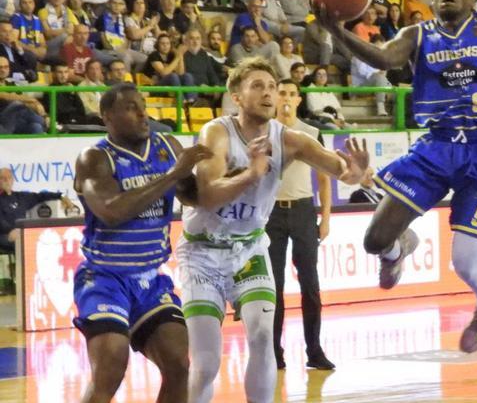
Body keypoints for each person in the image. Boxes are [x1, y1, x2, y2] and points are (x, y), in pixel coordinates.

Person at [314, 0, 477, 353]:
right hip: (436, 146)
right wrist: (338, 32)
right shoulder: (417, 34)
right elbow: (382, 59)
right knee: (375, 240)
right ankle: (399, 250)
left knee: (464, 263)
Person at [179, 57, 368, 403]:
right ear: (236, 96)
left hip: (249, 249)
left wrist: (356, 171)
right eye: (257, 86)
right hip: (203, 253)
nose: (268, 93)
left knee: (263, 337)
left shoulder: (290, 139)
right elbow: (205, 195)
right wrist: (251, 173)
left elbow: (343, 172)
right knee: (206, 363)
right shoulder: (216, 133)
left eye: (271, 87)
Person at [72, 82, 213, 403]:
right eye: (131, 108)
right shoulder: (94, 157)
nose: (142, 114)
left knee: (179, 364)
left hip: (151, 279)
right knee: (111, 365)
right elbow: (111, 211)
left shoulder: (166, 145)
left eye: (143, 106)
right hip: (104, 278)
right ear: (107, 116)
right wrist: (172, 175)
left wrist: (238, 173)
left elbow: (194, 195)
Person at [268, 79, 334, 371]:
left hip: (304, 210)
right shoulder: (265, 132)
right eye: (282, 92)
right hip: (271, 214)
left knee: (310, 284)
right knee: (274, 287)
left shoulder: (311, 132)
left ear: (298, 100)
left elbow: (323, 177)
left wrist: (326, 217)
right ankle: (273, 352)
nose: (286, 98)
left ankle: (315, 350)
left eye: (292, 94)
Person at [0, 167, 77, 253]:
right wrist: (10, 234)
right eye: (3, 178)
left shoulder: (21, 197)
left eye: (9, 177)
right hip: (5, 238)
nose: (7, 180)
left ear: (13, 180)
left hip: (23, 237)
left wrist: (61, 195)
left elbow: (41, 196)